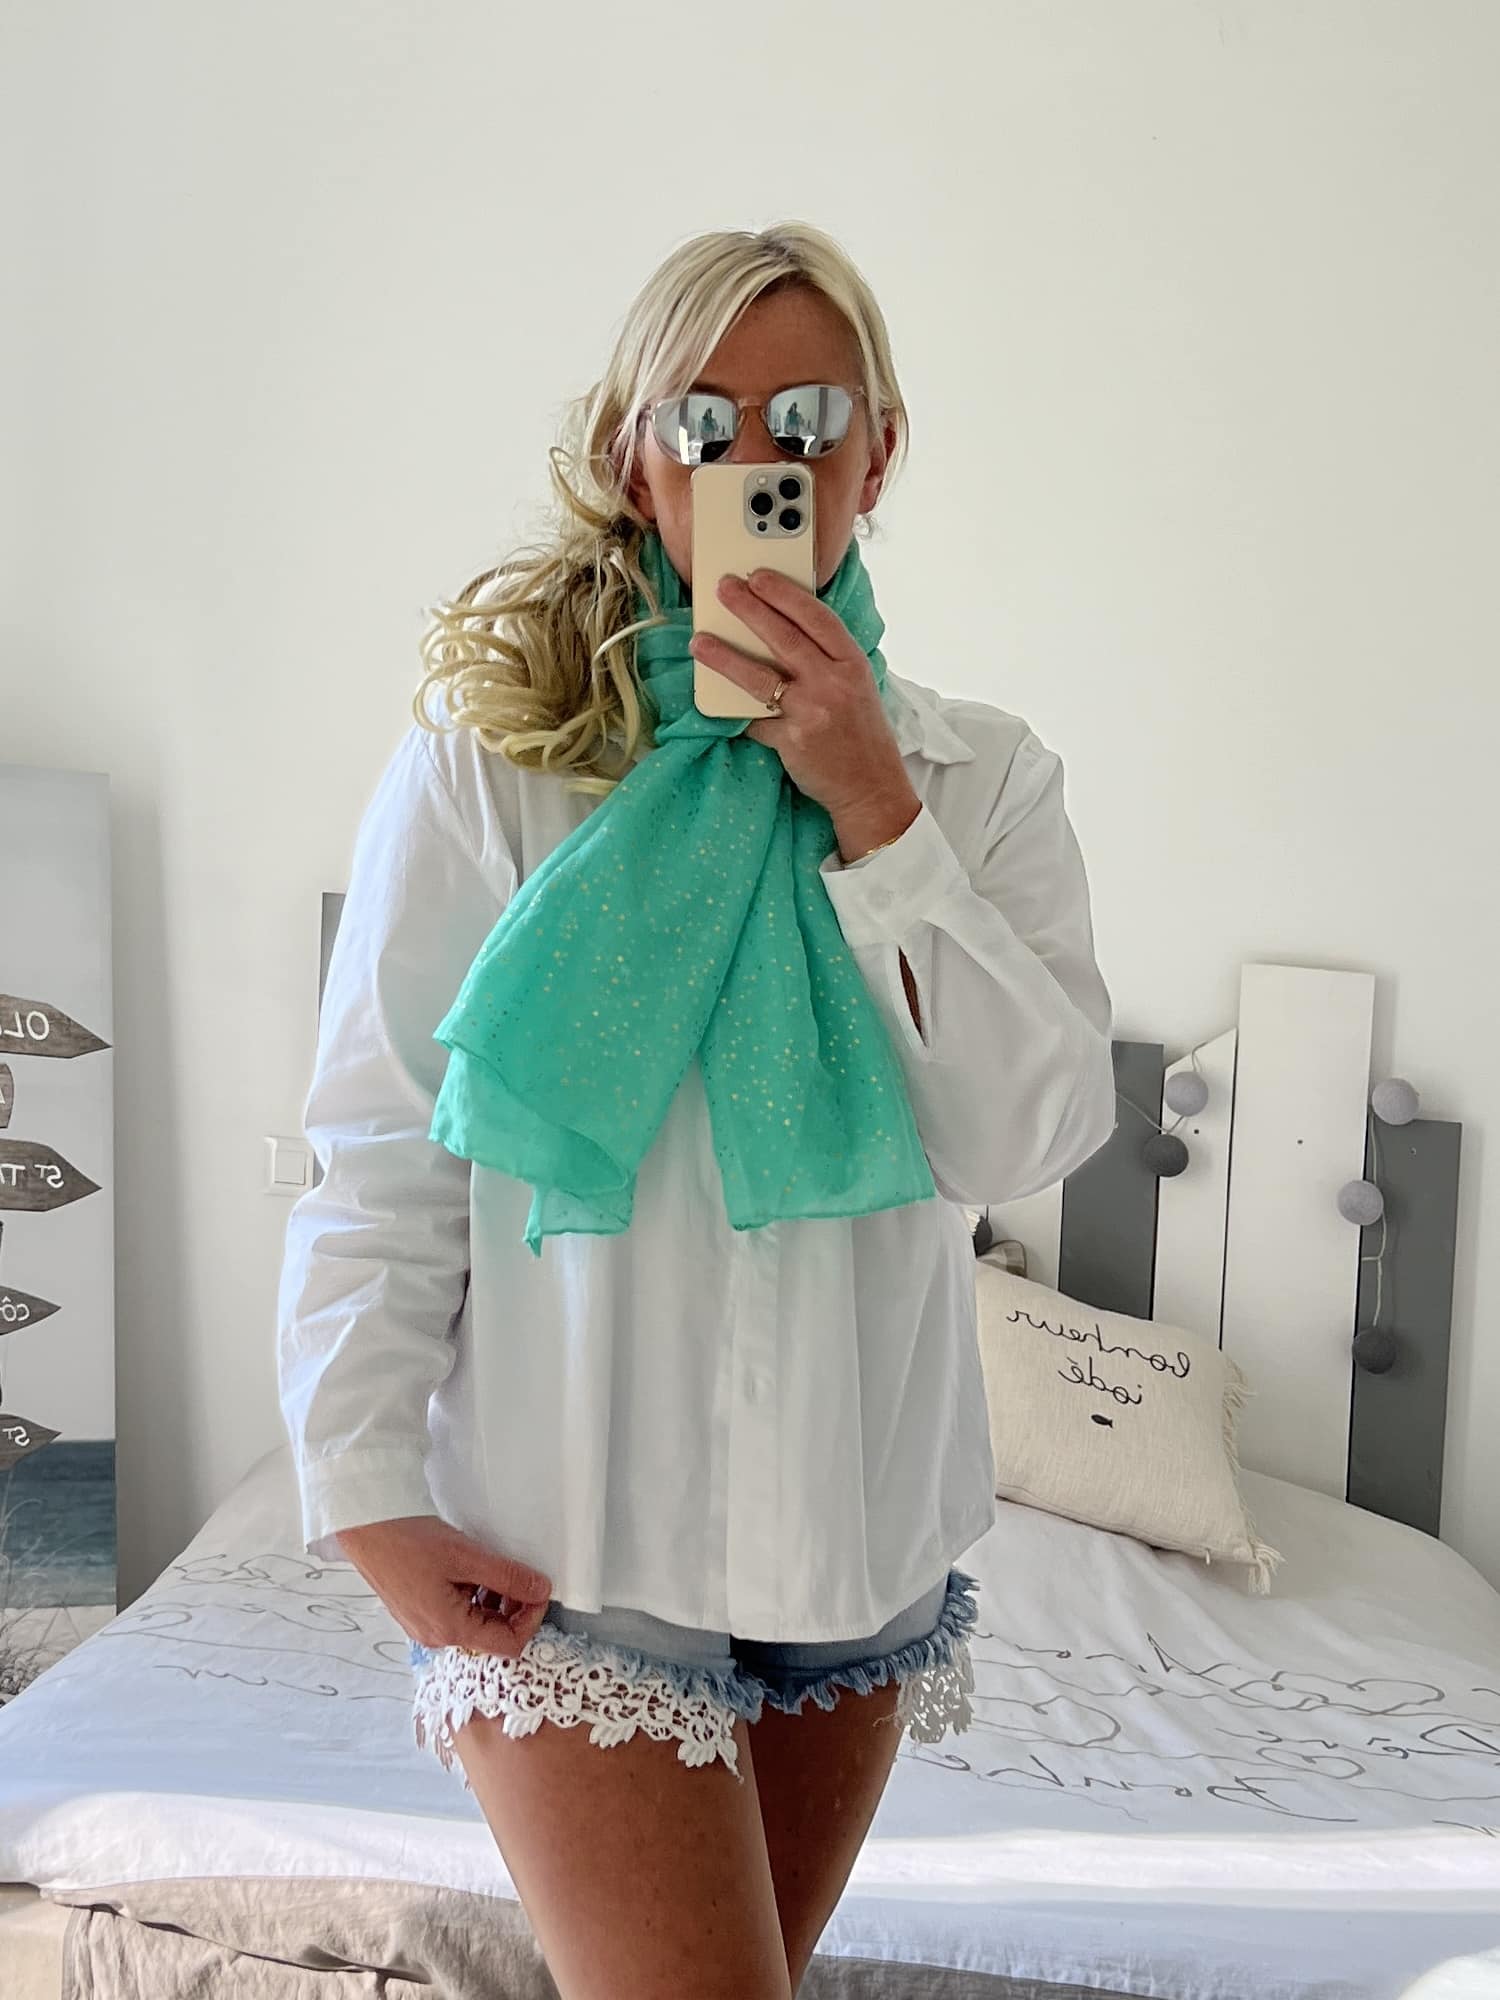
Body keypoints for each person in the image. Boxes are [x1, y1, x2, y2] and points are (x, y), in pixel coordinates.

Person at [276, 219, 1116, 2000]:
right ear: (631, 459)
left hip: (858, 1539)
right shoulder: (495, 770)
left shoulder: (983, 783)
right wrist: (360, 1487)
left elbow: (1026, 1138)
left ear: (879, 453)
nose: (761, 458)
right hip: (564, 1542)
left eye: (809, 418)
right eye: (705, 420)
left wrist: (878, 812)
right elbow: (383, 1150)